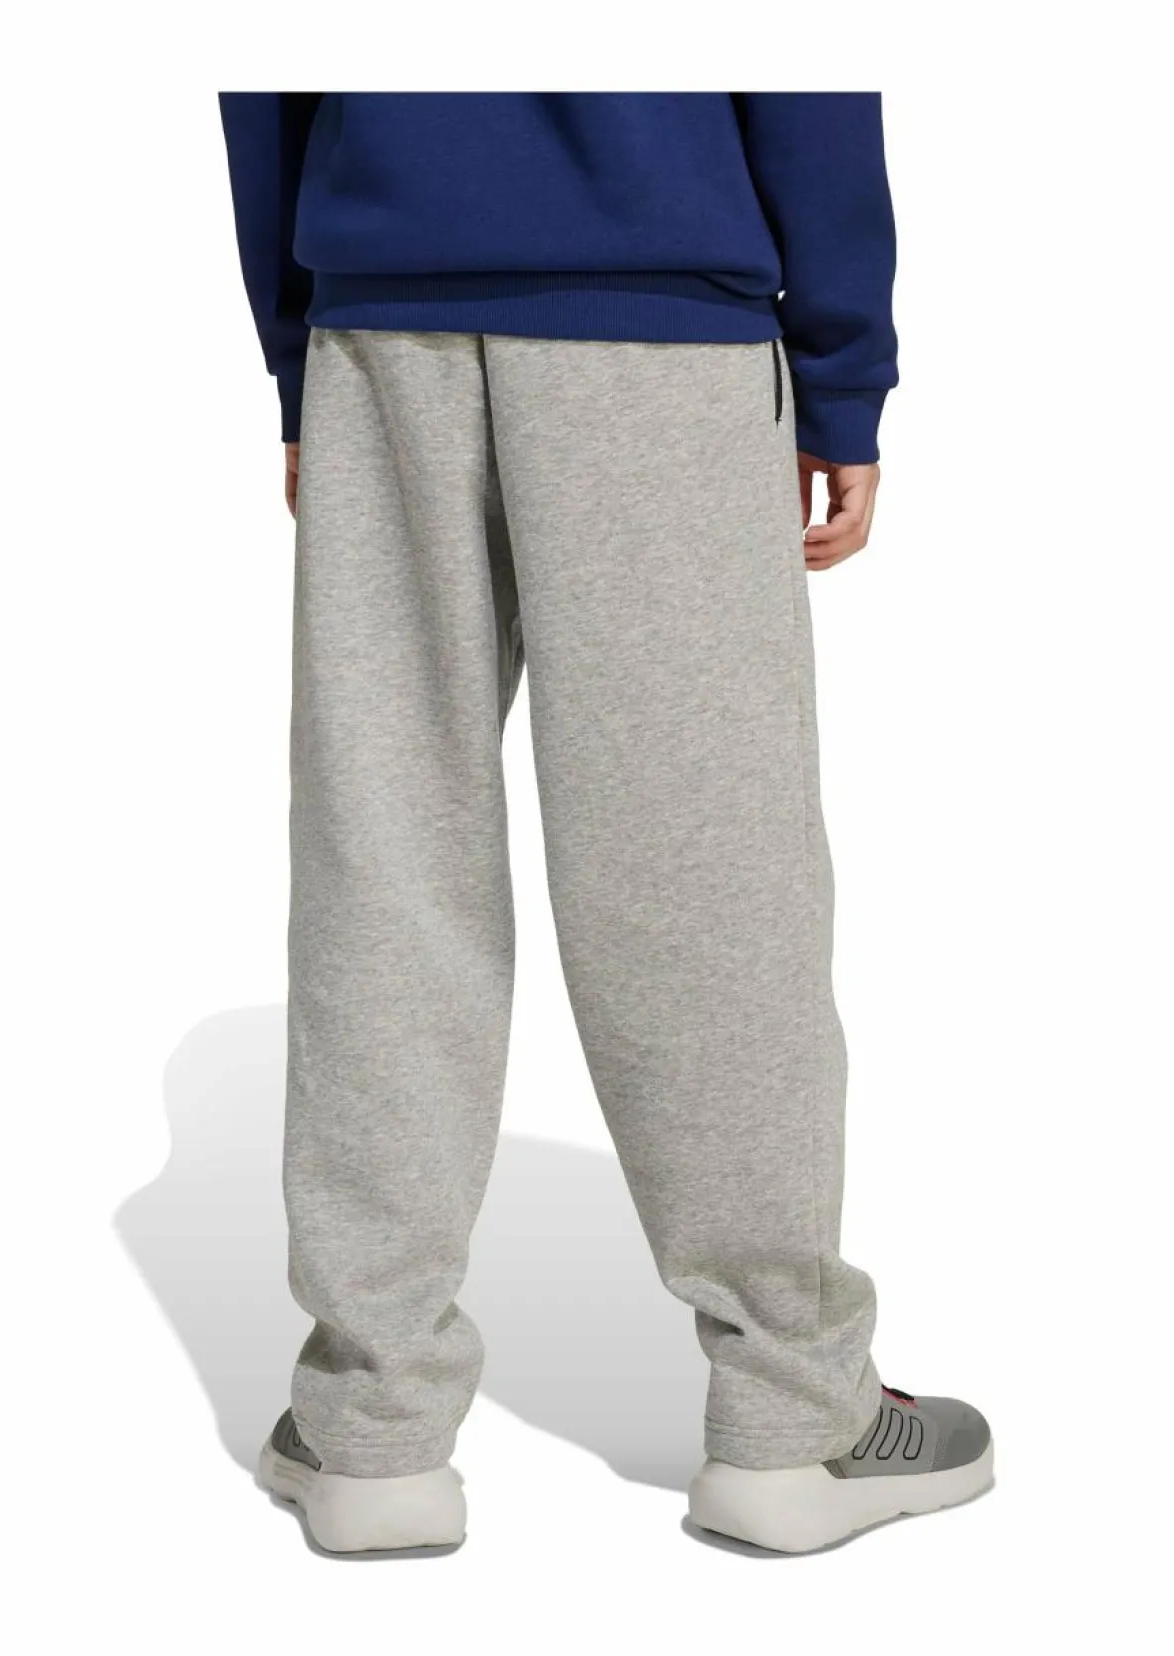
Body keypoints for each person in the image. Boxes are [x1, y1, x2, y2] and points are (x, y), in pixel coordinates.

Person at [219, 90, 992, 1556]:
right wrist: (843, 372)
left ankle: (373, 1432)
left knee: (386, 861)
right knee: (703, 862)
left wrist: (298, 350)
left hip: (382, 328)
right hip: (659, 327)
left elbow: (268, 77)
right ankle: (792, 1417)